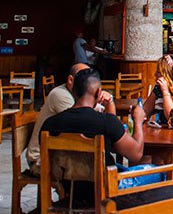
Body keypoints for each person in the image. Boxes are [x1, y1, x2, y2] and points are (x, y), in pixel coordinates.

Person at [41, 68, 156, 202]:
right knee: (157, 172)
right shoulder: (105, 122)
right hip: (106, 187)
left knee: (121, 168)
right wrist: (137, 121)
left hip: (69, 189)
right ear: (98, 92)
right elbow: (136, 154)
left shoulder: (49, 125)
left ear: (73, 91)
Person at [26, 63, 115, 174]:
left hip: (61, 156)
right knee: (99, 170)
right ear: (70, 80)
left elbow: (95, 112)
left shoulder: (78, 97)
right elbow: (82, 121)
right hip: (41, 159)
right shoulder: (60, 95)